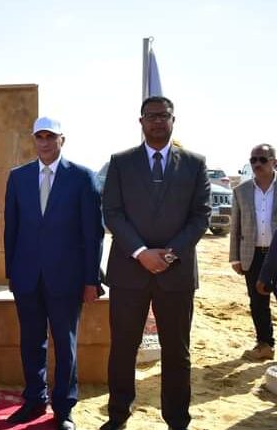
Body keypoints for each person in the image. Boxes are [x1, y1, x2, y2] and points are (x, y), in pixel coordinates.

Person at [101, 96, 210, 430]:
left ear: (174, 120)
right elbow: (112, 212)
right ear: (141, 121)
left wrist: (169, 254)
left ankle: (177, 420)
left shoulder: (194, 163)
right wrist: (141, 252)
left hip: (175, 274)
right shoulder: (121, 162)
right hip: (129, 272)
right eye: (151, 116)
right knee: (123, 348)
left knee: (177, 352)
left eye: (164, 115)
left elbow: (200, 216)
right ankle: (118, 415)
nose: (158, 121)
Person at [4, 117, 103, 430]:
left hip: (67, 279)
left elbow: (93, 234)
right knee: (31, 342)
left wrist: (91, 280)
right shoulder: (18, 177)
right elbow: (11, 229)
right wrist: (12, 273)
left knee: (64, 344)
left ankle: (64, 408)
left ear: (63, 140)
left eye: (51, 137)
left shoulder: (83, 177)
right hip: (27, 278)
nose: (45, 143)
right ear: (34, 140)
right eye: (40, 137)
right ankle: (34, 400)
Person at [231, 143, 277, 360]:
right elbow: (235, 227)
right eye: (253, 160)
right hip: (253, 255)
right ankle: (265, 344)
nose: (257, 164)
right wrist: (235, 258)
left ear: (274, 162)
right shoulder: (241, 191)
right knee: (258, 302)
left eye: (262, 159)